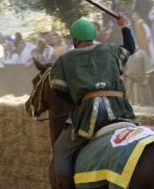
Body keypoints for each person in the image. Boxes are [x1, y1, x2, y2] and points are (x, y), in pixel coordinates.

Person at [50, 15, 136, 189]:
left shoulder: (64, 60)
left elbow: (59, 91)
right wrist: (124, 26)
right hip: (120, 109)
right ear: (93, 35)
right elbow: (130, 48)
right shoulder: (110, 50)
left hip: (89, 114)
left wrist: (79, 100)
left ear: (74, 39)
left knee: (61, 148)